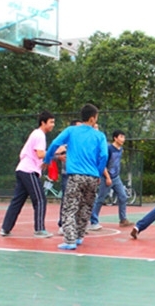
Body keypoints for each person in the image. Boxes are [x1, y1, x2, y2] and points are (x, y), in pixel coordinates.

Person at [44, 104, 108, 250]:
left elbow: (55, 143)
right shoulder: (99, 136)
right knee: (86, 208)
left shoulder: (71, 131)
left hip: (75, 176)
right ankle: (79, 236)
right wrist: (98, 173)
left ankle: (70, 240)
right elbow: (104, 155)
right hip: (92, 177)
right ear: (92, 118)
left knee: (69, 208)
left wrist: (48, 159)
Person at [0, 111, 56, 238]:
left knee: (17, 201)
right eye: (51, 122)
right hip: (29, 171)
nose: (53, 125)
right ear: (43, 122)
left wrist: (51, 157)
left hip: (22, 169)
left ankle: (5, 228)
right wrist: (55, 151)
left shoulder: (36, 134)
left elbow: (37, 155)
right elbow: (40, 154)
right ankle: (39, 229)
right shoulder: (40, 135)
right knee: (40, 199)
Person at [89, 130, 133, 231]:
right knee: (100, 199)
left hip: (116, 177)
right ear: (115, 138)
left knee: (123, 196)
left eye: (124, 137)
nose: (123, 139)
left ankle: (123, 220)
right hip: (106, 177)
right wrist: (107, 177)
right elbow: (103, 164)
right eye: (121, 137)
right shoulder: (109, 149)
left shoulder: (121, 149)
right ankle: (94, 221)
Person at [56, 119, 82, 232]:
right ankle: (62, 224)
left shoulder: (82, 141)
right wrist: (59, 156)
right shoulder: (65, 141)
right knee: (67, 199)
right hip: (67, 174)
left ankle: (76, 224)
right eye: (78, 127)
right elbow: (53, 152)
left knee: (79, 200)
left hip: (80, 174)